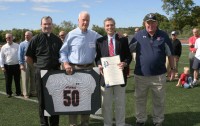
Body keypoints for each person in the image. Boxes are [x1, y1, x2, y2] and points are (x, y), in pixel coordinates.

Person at [129, 13, 175, 126]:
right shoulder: (138, 35)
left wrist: (173, 68)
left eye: (153, 22)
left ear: (156, 23)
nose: (150, 25)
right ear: (145, 23)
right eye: (148, 22)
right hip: (141, 75)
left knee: (159, 100)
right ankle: (140, 120)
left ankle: (158, 121)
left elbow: (170, 54)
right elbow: (127, 50)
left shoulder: (163, 35)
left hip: (159, 75)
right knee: (140, 99)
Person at [60, 11, 101, 126]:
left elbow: (105, 40)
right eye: (83, 20)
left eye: (87, 20)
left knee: (86, 97)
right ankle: (73, 123)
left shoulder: (94, 34)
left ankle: (85, 122)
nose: (85, 22)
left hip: (89, 69)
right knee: (73, 97)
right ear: (78, 20)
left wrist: (116, 35)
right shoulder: (71, 34)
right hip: (73, 69)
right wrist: (66, 64)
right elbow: (63, 51)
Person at [25, 16, 62, 126]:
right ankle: (44, 124)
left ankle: (54, 124)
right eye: (45, 24)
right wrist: (38, 67)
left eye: (49, 24)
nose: (47, 26)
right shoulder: (35, 39)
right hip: (41, 74)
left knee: (55, 100)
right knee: (42, 101)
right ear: (41, 25)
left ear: (52, 25)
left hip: (55, 74)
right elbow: (28, 58)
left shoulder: (57, 39)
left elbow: (62, 56)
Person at [95, 17, 132, 126]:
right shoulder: (100, 41)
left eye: (111, 25)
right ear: (104, 27)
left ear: (114, 26)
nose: (110, 27)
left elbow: (128, 56)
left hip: (120, 76)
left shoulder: (123, 40)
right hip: (105, 77)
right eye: (107, 25)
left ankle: (120, 123)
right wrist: (99, 65)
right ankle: (107, 124)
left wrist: (125, 63)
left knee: (120, 103)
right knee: (106, 104)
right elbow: (97, 58)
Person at [0, 33, 21, 98]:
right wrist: (2, 66)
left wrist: (21, 65)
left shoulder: (17, 45)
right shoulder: (3, 47)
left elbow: (20, 56)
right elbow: (1, 57)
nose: (8, 39)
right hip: (7, 66)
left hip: (17, 66)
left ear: (12, 38)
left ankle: (18, 92)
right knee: (8, 81)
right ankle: (9, 93)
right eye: (6, 38)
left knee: (17, 80)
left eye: (9, 37)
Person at [18, 31, 36, 98]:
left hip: (33, 63)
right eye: (25, 35)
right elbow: (20, 55)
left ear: (32, 36)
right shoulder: (22, 44)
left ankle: (33, 92)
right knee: (25, 78)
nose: (26, 36)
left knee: (33, 78)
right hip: (25, 63)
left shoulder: (34, 43)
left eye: (28, 35)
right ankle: (25, 93)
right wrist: (21, 64)